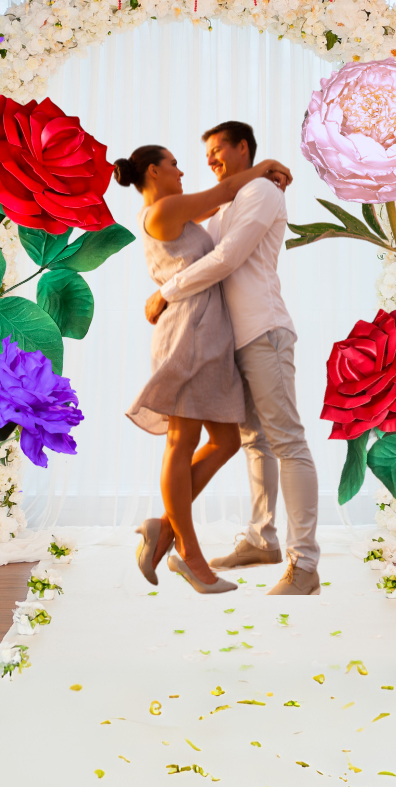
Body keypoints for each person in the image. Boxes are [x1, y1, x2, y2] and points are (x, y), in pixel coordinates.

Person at [145, 122, 321, 596]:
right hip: (231, 342)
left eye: (218, 148)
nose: (210, 158)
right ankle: (261, 539)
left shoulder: (263, 190)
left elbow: (227, 258)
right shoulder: (227, 202)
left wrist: (166, 291)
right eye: (205, 152)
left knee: (287, 442)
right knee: (253, 442)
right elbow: (198, 243)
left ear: (244, 148)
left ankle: (304, 565)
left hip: (264, 331)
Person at [116, 144, 293, 595]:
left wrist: (256, 184)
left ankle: (165, 528)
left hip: (209, 331)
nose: (181, 171)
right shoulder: (163, 209)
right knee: (182, 440)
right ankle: (191, 556)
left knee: (227, 439)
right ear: (153, 171)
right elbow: (228, 188)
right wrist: (265, 167)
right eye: (173, 164)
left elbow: (227, 199)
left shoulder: (178, 210)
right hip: (188, 331)